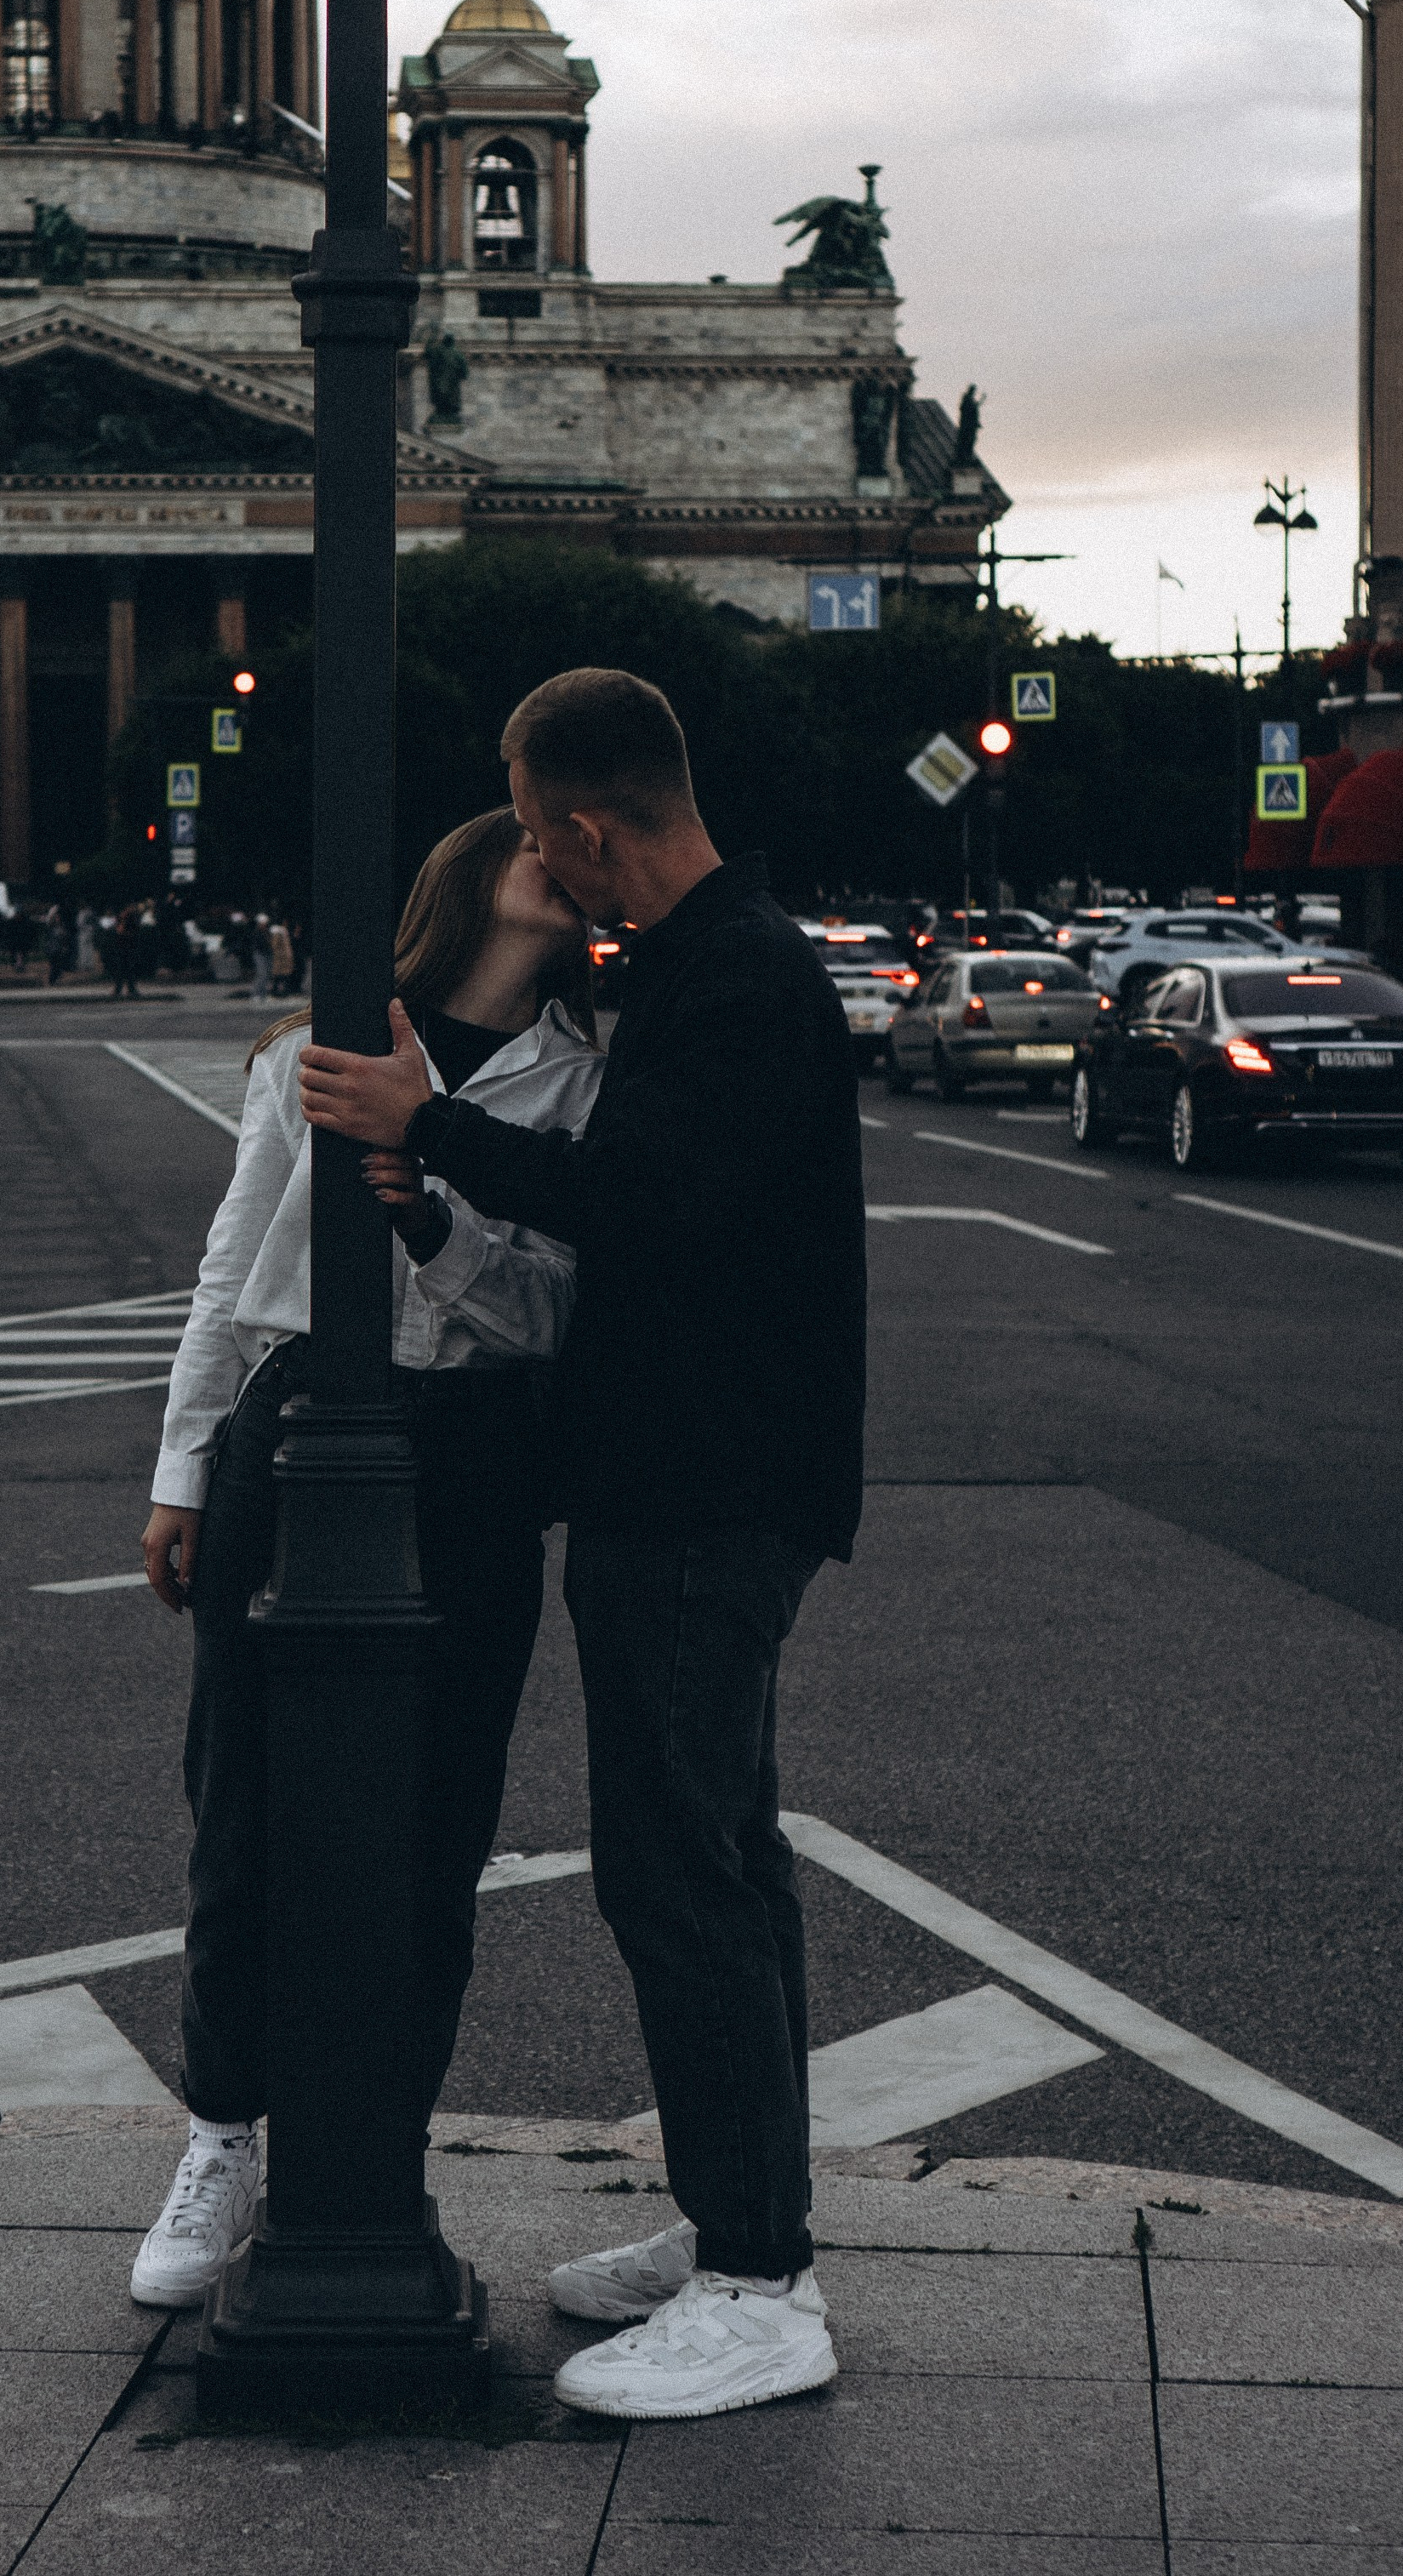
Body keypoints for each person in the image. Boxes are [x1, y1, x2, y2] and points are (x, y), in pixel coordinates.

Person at [300, 666, 865, 2423]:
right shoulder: (714, 963)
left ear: (593, 825)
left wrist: (429, 1126)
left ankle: (762, 2283)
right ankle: (741, 2229)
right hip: (683, 1483)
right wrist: (443, 1184)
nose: (550, 867)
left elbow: (650, 1211)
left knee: (679, 1873)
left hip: (701, 1493)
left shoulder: (737, 977)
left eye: (549, 836)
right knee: (721, 1863)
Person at [129, 807, 602, 2312]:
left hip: (472, 1456)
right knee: (243, 1801)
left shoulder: (583, 1080)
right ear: (466, 876)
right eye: (525, 836)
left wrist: (436, 1217)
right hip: (291, 1422)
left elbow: (548, 1315)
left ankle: (380, 2141)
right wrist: (181, 1469)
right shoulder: (315, 1048)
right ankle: (219, 2136)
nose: (555, 852)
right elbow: (230, 1264)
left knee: (434, 1826)